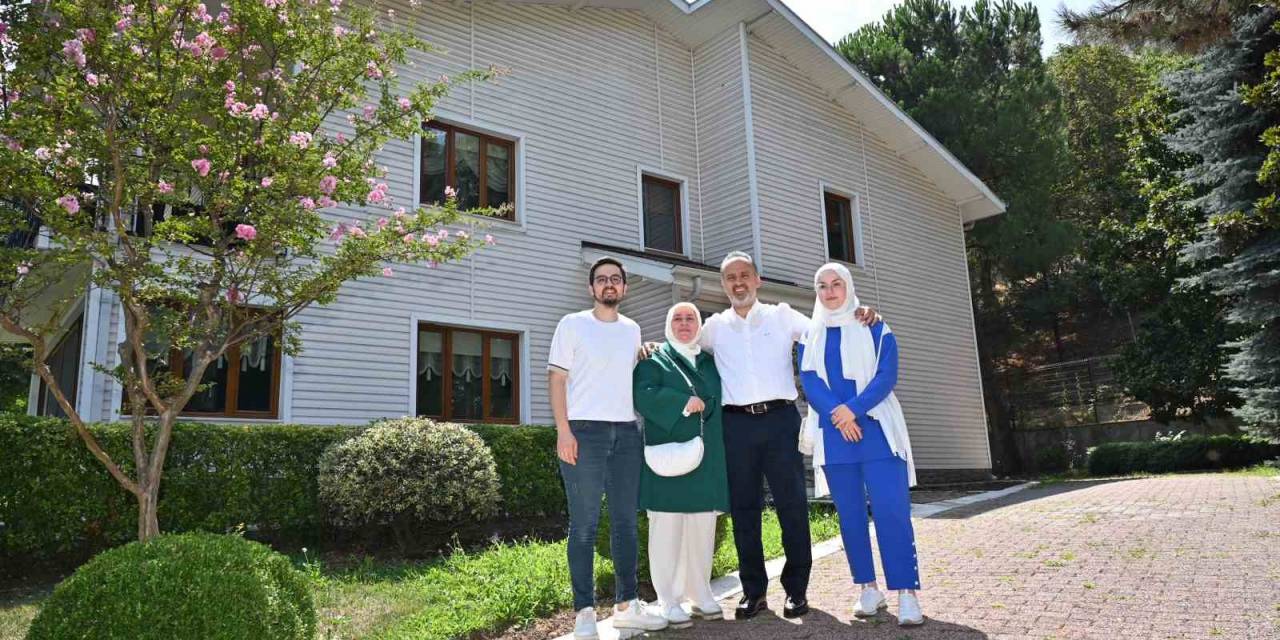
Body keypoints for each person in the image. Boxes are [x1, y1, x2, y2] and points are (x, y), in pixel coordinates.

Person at [698, 251, 876, 620]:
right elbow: (681, 347)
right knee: (744, 510)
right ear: (723, 285)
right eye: (731, 277)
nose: (739, 282)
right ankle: (753, 593)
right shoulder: (713, 327)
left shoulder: (781, 315)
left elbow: (826, 329)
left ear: (757, 280)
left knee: (791, 506)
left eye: (745, 275)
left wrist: (862, 315)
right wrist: (649, 348)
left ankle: (796, 591)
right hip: (735, 426)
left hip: (780, 422)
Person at [549, 257, 668, 640]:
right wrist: (563, 432)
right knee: (583, 526)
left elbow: (625, 371)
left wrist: (646, 351)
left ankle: (626, 605)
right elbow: (556, 379)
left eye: (615, 279)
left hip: (627, 432)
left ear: (624, 288)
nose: (609, 285)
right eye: (601, 280)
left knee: (625, 523)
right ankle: (584, 613)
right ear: (591, 289)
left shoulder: (632, 330)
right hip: (584, 432)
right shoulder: (572, 324)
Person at [798, 262, 923, 626]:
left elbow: (887, 375)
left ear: (849, 286)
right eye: (822, 285)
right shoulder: (812, 334)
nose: (830, 291)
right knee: (851, 518)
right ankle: (868, 588)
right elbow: (810, 380)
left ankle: (906, 593)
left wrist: (851, 410)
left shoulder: (874, 325)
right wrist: (839, 415)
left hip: (878, 430)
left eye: (837, 283)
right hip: (836, 438)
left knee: (892, 513)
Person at [633, 302, 730, 629]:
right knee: (668, 530)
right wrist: (681, 403)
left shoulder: (710, 362)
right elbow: (642, 395)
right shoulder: (654, 359)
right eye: (678, 318)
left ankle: (700, 594)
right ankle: (669, 600)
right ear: (667, 324)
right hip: (668, 460)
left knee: (702, 529)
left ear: (699, 325)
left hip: (706, 458)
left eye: (691, 318)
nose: (685, 323)